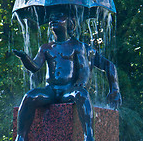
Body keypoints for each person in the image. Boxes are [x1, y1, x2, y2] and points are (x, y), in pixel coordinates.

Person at [13, 13, 121, 141]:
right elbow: (35, 67)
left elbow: (85, 68)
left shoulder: (77, 46)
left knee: (82, 95)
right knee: (29, 96)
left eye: (58, 18)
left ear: (70, 23)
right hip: (51, 90)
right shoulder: (46, 47)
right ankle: (21, 137)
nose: (53, 20)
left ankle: (89, 136)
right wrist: (24, 57)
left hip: (69, 90)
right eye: (51, 18)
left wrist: (114, 89)